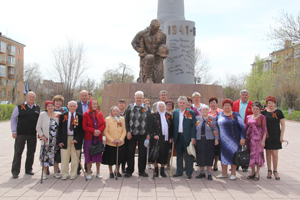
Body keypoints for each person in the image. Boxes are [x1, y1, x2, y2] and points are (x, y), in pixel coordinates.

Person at [11, 91, 41, 179]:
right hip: (21, 134)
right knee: (18, 152)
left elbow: (39, 121)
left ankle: (28, 169)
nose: (32, 98)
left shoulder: (37, 108)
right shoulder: (20, 107)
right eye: (30, 97)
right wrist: (14, 131)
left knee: (31, 152)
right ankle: (15, 171)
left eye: (33, 97)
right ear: (26, 97)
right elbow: (13, 119)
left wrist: (40, 132)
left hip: (32, 134)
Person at [216, 98, 246, 180]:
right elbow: (215, 126)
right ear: (222, 106)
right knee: (223, 157)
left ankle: (233, 173)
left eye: (229, 105)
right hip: (222, 141)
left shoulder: (236, 115)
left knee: (234, 156)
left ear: (231, 106)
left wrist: (243, 138)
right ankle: (224, 173)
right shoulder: (219, 115)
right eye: (225, 105)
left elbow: (242, 127)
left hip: (234, 140)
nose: (227, 107)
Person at [125, 91, 152, 178]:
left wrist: (148, 133)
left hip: (143, 134)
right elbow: (126, 120)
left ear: (143, 98)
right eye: (137, 98)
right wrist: (128, 131)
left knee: (143, 154)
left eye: (140, 98)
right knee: (130, 153)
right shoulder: (130, 107)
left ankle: (141, 171)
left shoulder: (146, 108)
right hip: (132, 134)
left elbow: (149, 122)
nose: (139, 99)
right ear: (134, 98)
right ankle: (129, 171)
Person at [57, 101, 84, 180]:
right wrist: (60, 141)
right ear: (67, 106)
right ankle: (64, 174)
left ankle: (73, 173)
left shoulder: (80, 116)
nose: (72, 107)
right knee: (64, 157)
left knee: (75, 157)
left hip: (75, 139)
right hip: (65, 138)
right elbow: (60, 129)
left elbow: (81, 130)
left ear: (76, 107)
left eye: (74, 106)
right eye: (71, 106)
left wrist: (77, 139)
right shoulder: (63, 116)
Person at [261, 96, 285, 180]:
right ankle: (269, 170)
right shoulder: (264, 113)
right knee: (268, 153)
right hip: (267, 135)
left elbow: (283, 125)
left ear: (275, 103)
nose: (270, 104)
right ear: (267, 104)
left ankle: (275, 171)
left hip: (276, 136)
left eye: (272, 103)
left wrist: (281, 136)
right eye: (269, 103)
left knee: (275, 154)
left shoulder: (279, 112)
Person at [172, 96, 196, 179]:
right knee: (179, 155)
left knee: (188, 156)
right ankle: (179, 171)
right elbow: (173, 126)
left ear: (186, 104)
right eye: (180, 103)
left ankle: (189, 173)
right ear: (178, 104)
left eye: (183, 103)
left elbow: (193, 125)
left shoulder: (191, 112)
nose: (182, 104)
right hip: (178, 137)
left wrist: (193, 137)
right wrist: (172, 136)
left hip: (187, 137)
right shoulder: (175, 112)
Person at [36, 101, 61, 180]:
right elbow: (38, 127)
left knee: (56, 156)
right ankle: (44, 172)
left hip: (56, 140)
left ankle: (56, 172)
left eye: (51, 106)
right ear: (46, 107)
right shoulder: (42, 115)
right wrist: (42, 135)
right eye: (48, 106)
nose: (50, 107)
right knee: (45, 156)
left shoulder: (58, 115)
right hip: (46, 140)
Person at [148, 101, 173, 177]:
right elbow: (150, 126)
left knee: (164, 154)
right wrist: (154, 135)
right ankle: (156, 170)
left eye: (163, 107)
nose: (161, 108)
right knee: (156, 154)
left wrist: (171, 137)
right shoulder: (154, 115)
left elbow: (171, 128)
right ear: (158, 108)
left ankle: (162, 170)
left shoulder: (168, 116)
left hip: (165, 139)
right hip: (156, 139)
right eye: (160, 107)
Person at [82, 99, 106, 179]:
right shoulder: (86, 114)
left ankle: (98, 172)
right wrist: (93, 131)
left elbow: (103, 124)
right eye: (93, 104)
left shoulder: (100, 114)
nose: (95, 105)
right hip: (89, 138)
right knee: (88, 155)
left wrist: (99, 130)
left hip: (98, 138)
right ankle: (88, 171)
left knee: (98, 154)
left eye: (96, 104)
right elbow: (84, 126)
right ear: (90, 105)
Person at [195, 105, 219, 181]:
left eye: (206, 109)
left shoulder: (212, 119)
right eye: (203, 109)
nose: (204, 111)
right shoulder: (197, 118)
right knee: (200, 155)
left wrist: (216, 139)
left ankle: (209, 173)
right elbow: (195, 128)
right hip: (199, 140)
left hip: (209, 140)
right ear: (201, 111)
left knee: (209, 156)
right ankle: (201, 172)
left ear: (209, 110)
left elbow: (215, 130)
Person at [245, 101, 268, 181]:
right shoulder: (248, 117)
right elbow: (247, 127)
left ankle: (257, 173)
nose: (255, 110)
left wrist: (263, 141)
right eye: (253, 108)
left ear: (259, 109)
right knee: (251, 155)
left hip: (258, 140)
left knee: (258, 156)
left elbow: (265, 129)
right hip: (250, 140)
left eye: (256, 109)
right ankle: (252, 172)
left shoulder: (262, 117)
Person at [102, 106, 126, 178]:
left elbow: (124, 130)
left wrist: (121, 139)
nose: (115, 112)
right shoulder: (108, 119)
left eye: (116, 111)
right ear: (111, 112)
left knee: (119, 159)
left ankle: (117, 171)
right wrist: (112, 140)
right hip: (111, 143)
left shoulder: (121, 119)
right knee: (110, 159)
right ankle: (111, 172)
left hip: (120, 142)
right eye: (114, 111)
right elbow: (106, 131)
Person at [232, 89, 253, 172]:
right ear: (240, 96)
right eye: (243, 95)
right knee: (236, 145)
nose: (244, 96)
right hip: (236, 127)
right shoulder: (235, 104)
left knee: (246, 146)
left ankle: (245, 164)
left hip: (248, 128)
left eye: (246, 95)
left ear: (248, 96)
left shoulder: (251, 104)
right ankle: (236, 164)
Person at [76, 90, 90, 174]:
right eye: (83, 95)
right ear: (80, 96)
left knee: (87, 150)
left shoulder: (91, 105)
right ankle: (78, 167)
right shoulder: (76, 105)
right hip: (79, 130)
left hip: (88, 131)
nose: (84, 97)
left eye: (86, 95)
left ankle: (87, 167)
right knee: (78, 149)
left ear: (88, 96)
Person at [208, 96, 223, 171]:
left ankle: (215, 163)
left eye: (214, 103)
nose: (212, 104)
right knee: (210, 149)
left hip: (218, 133)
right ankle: (209, 163)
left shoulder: (221, 112)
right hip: (209, 133)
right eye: (211, 103)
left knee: (217, 150)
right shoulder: (207, 111)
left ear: (217, 103)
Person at [117, 99, 127, 173]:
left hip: (126, 135)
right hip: (117, 135)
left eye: (123, 103)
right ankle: (117, 168)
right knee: (118, 153)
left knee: (124, 153)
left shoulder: (127, 113)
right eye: (120, 103)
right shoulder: (115, 113)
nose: (121, 105)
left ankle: (123, 167)